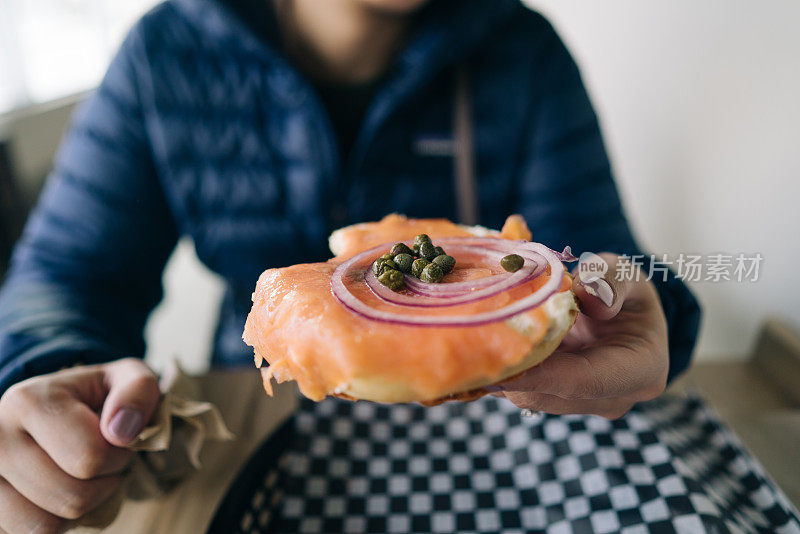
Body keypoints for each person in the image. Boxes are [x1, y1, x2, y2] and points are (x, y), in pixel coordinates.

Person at [0, 0, 700, 530]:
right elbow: (66, 276)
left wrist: (656, 312)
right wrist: (51, 370)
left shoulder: (523, 51)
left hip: (494, 439)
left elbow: (603, 265)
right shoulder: (166, 51)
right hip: (248, 426)